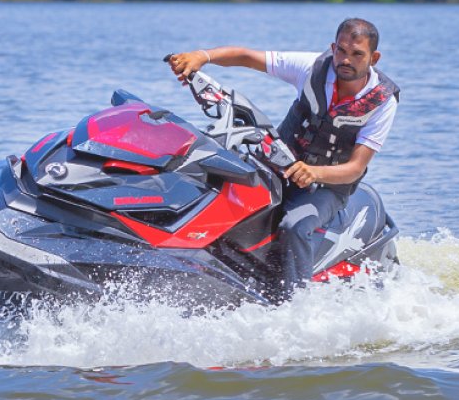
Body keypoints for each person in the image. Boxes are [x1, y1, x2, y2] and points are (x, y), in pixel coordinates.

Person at [168, 17, 399, 299]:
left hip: (328, 186)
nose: (345, 60)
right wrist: (202, 57)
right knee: (215, 191)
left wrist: (315, 173)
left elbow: (355, 168)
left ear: (374, 57)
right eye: (341, 50)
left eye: (357, 54)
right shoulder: (312, 68)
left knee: (294, 227)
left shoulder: (382, 100)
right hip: (276, 166)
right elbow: (248, 57)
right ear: (332, 47)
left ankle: (296, 305)